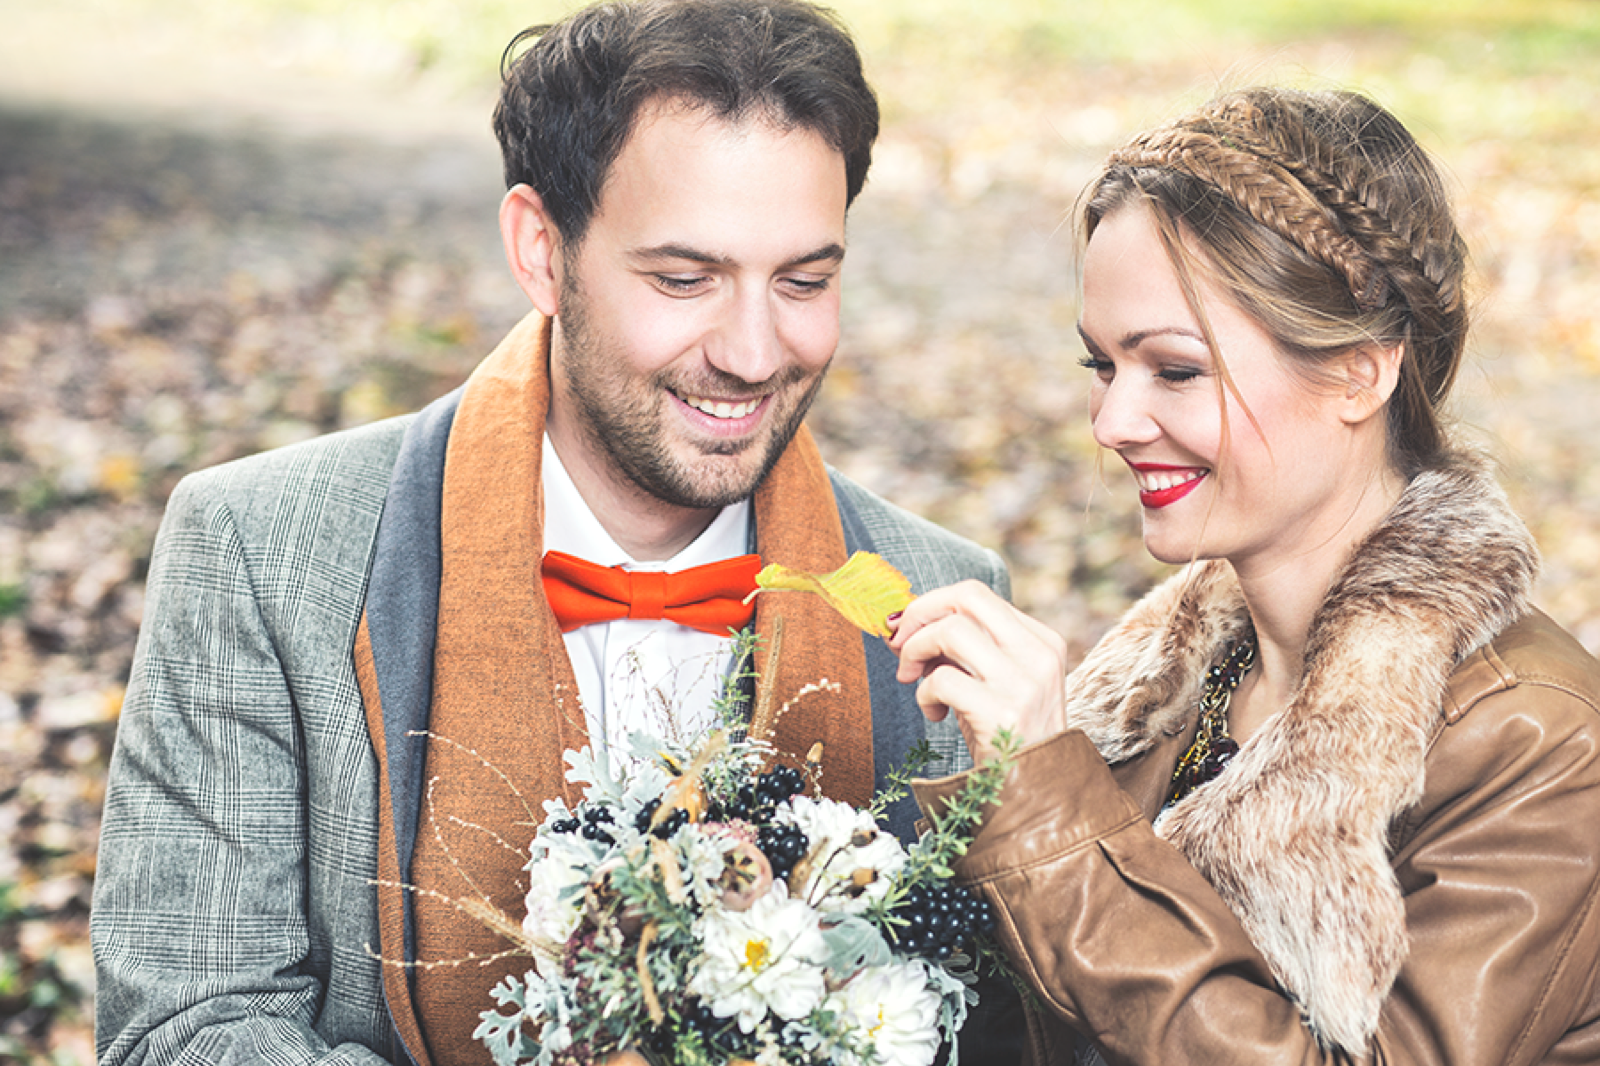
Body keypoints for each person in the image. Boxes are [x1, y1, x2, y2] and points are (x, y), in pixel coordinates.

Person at [90, 2, 1013, 1064]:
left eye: (804, 281)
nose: (756, 352)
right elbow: (187, 1027)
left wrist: (1056, 803)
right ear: (541, 250)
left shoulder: (942, 602)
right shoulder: (259, 550)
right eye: (683, 279)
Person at [890, 87, 1600, 1064]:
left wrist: (1046, 804)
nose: (1110, 424)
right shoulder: (1167, 678)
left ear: (1359, 370)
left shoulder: (1534, 740)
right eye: (1102, 366)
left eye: (1174, 370)